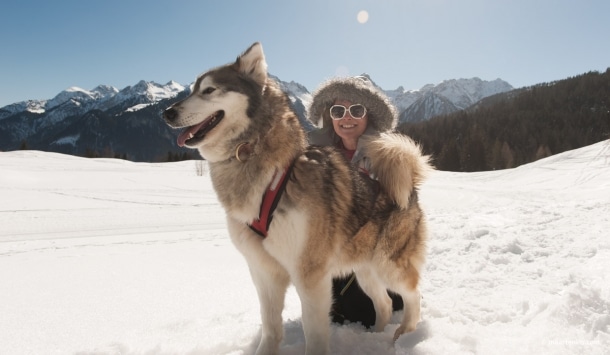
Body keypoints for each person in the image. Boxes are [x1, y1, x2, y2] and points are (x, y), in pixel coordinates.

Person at [307, 75, 404, 327]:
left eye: (356, 110)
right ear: (331, 117)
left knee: (356, 311)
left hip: (377, 249)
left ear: (368, 114)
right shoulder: (315, 152)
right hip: (330, 244)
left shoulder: (388, 154)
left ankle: (397, 293)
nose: (346, 117)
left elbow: (401, 212)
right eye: (338, 111)